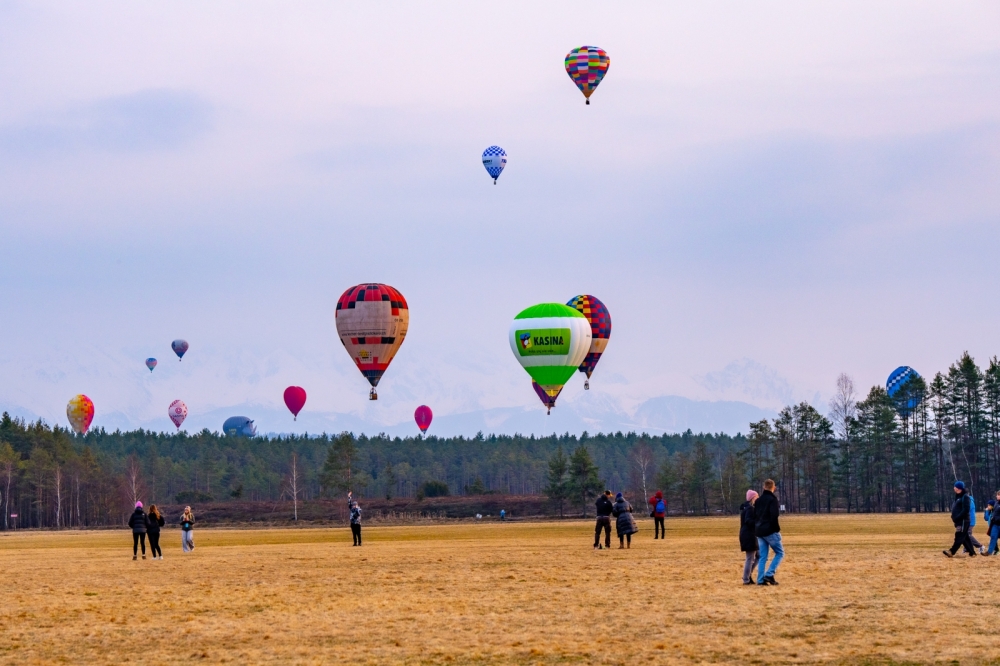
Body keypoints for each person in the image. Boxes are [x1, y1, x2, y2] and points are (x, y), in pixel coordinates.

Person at [754, 479, 783, 585]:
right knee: (780, 553)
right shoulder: (772, 499)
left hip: (759, 531)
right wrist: (776, 529)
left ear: (763, 487)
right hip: (770, 530)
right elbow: (774, 516)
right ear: (773, 487)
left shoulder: (758, 500)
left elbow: (755, 515)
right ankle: (769, 574)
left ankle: (760, 580)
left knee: (763, 557)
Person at [944, 481, 975, 558]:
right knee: (965, 537)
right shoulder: (957, 496)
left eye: (955, 486)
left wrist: (958, 517)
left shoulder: (965, 497)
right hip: (959, 521)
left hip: (963, 521)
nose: (954, 488)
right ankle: (972, 553)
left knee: (959, 536)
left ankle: (952, 551)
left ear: (958, 488)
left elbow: (966, 510)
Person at [740, 490, 760, 585]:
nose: (758, 498)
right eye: (756, 497)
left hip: (749, 535)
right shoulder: (750, 509)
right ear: (753, 498)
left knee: (758, 555)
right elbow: (748, 521)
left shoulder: (747, 508)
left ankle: (748, 575)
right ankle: (746, 579)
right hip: (749, 536)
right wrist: (757, 523)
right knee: (750, 558)